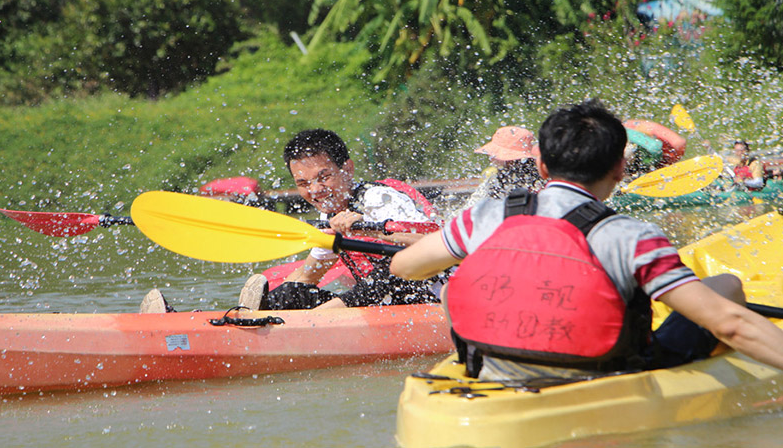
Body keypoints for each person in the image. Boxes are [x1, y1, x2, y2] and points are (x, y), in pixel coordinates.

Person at [389, 99, 783, 382]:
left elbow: (403, 267)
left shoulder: (485, 215)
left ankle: (478, 360)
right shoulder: (634, 236)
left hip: (494, 367)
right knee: (728, 285)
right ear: (619, 168)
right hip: (603, 372)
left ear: (542, 165)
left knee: (455, 283)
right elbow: (731, 325)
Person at [140, 129, 441, 313]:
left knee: (397, 271)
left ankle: (316, 319)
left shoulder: (379, 199)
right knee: (293, 291)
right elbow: (309, 276)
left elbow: (442, 246)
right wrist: (273, 299)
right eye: (304, 183)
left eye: (324, 177)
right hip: (380, 303)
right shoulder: (329, 216)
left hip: (432, 298)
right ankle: (210, 321)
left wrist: (370, 228)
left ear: (347, 168)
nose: (315, 190)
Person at [461, 126, 542, 210]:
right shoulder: (538, 175)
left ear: (508, 159)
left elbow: (474, 209)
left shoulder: (500, 180)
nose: (491, 157)